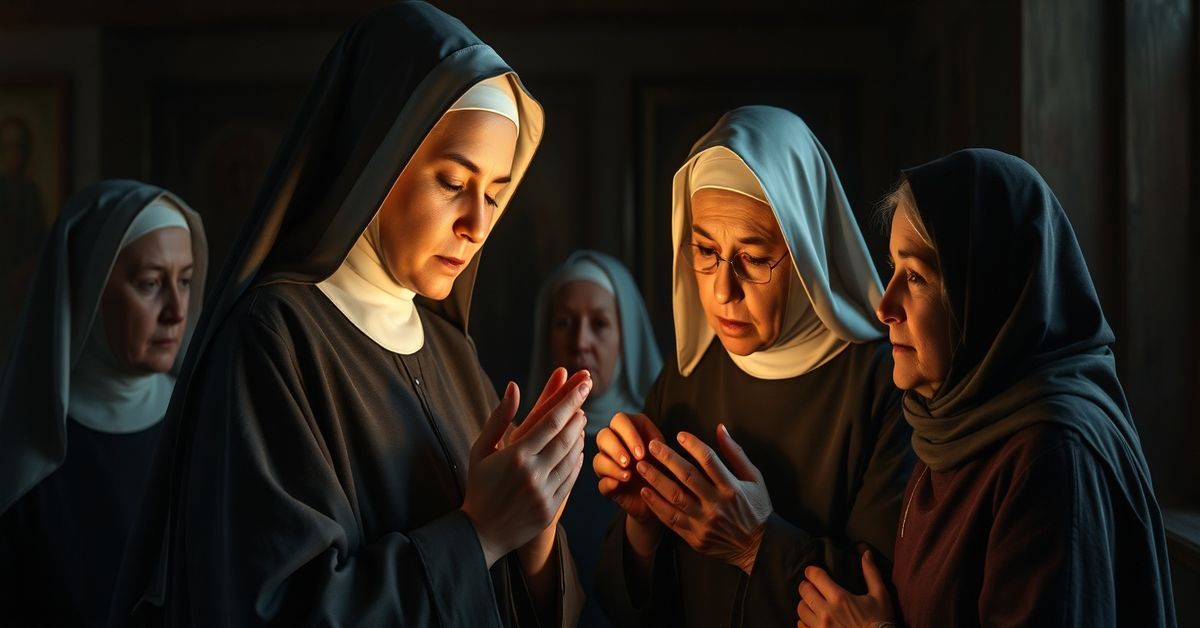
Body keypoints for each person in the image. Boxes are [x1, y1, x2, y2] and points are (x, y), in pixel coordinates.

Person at [108, 4, 588, 626]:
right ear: (374, 159)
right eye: (452, 182)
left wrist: (536, 530)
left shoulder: (448, 347)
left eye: (495, 193)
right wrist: (480, 533)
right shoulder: (273, 338)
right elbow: (275, 609)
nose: (477, 226)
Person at [796, 148, 1177, 627]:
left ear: (987, 292)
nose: (885, 305)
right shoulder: (952, 421)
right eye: (892, 269)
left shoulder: (1051, 456)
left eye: (914, 277)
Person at [594, 106, 912, 627]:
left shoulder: (883, 382)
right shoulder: (688, 376)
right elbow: (630, 610)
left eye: (755, 257)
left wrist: (756, 545)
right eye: (703, 250)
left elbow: (890, 596)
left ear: (806, 249)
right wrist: (644, 524)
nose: (723, 290)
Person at [0, 180, 207, 627]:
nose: (176, 311)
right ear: (88, 288)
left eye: (186, 281)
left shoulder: (203, 422)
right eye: (151, 283)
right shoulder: (22, 445)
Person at [527, 249, 663, 626]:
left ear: (626, 335)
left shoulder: (657, 441)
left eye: (600, 323)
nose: (580, 342)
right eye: (564, 323)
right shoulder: (521, 447)